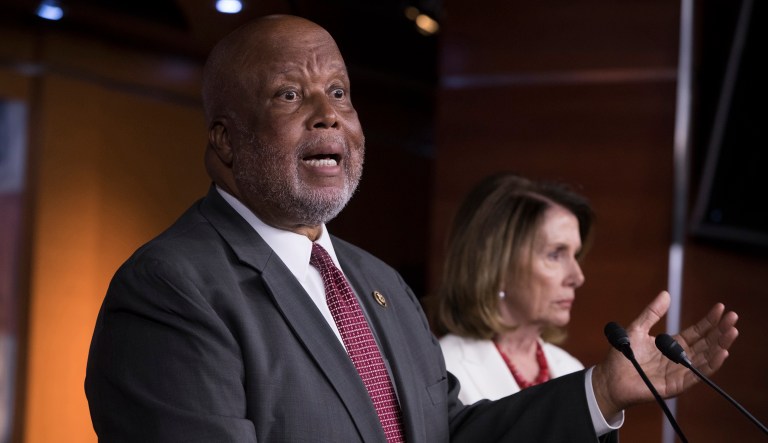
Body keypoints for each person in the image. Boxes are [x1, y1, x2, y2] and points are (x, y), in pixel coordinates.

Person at [84, 14, 739, 442]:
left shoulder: (378, 284)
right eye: (289, 95)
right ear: (224, 143)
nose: (327, 114)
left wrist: (603, 388)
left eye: (340, 92)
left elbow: (448, 433)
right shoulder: (171, 289)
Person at [437, 172, 594, 404]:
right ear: (496, 265)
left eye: (575, 255)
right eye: (554, 254)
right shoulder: (443, 370)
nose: (577, 277)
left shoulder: (572, 370)